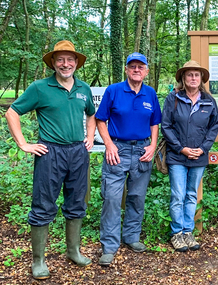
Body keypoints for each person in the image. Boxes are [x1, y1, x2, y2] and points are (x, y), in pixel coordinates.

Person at [5, 40, 95, 279]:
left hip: (77, 153)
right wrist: (23, 144)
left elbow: (91, 116)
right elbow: (12, 112)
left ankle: (73, 251)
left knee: (76, 202)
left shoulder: (84, 89)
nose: (65, 64)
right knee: (43, 204)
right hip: (50, 152)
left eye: (70, 60)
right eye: (60, 60)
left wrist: (90, 137)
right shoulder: (39, 88)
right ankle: (38, 261)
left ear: (76, 63)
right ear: (53, 63)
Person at [95, 52, 161, 266]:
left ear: (146, 71)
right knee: (112, 198)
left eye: (140, 67)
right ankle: (109, 245)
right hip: (118, 149)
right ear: (126, 69)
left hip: (142, 150)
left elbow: (154, 122)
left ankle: (132, 237)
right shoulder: (114, 90)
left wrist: (152, 145)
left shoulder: (150, 93)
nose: (136, 70)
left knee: (136, 196)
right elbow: (100, 120)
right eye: (132, 66)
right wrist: (109, 145)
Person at [161, 60, 218, 252]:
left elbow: (215, 125)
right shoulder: (174, 98)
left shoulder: (209, 101)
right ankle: (177, 233)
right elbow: (166, 126)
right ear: (183, 78)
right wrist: (180, 148)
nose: (193, 78)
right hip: (178, 156)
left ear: (201, 78)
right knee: (178, 195)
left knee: (191, 195)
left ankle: (188, 231)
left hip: (199, 156)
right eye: (189, 75)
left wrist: (203, 148)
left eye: (197, 75)